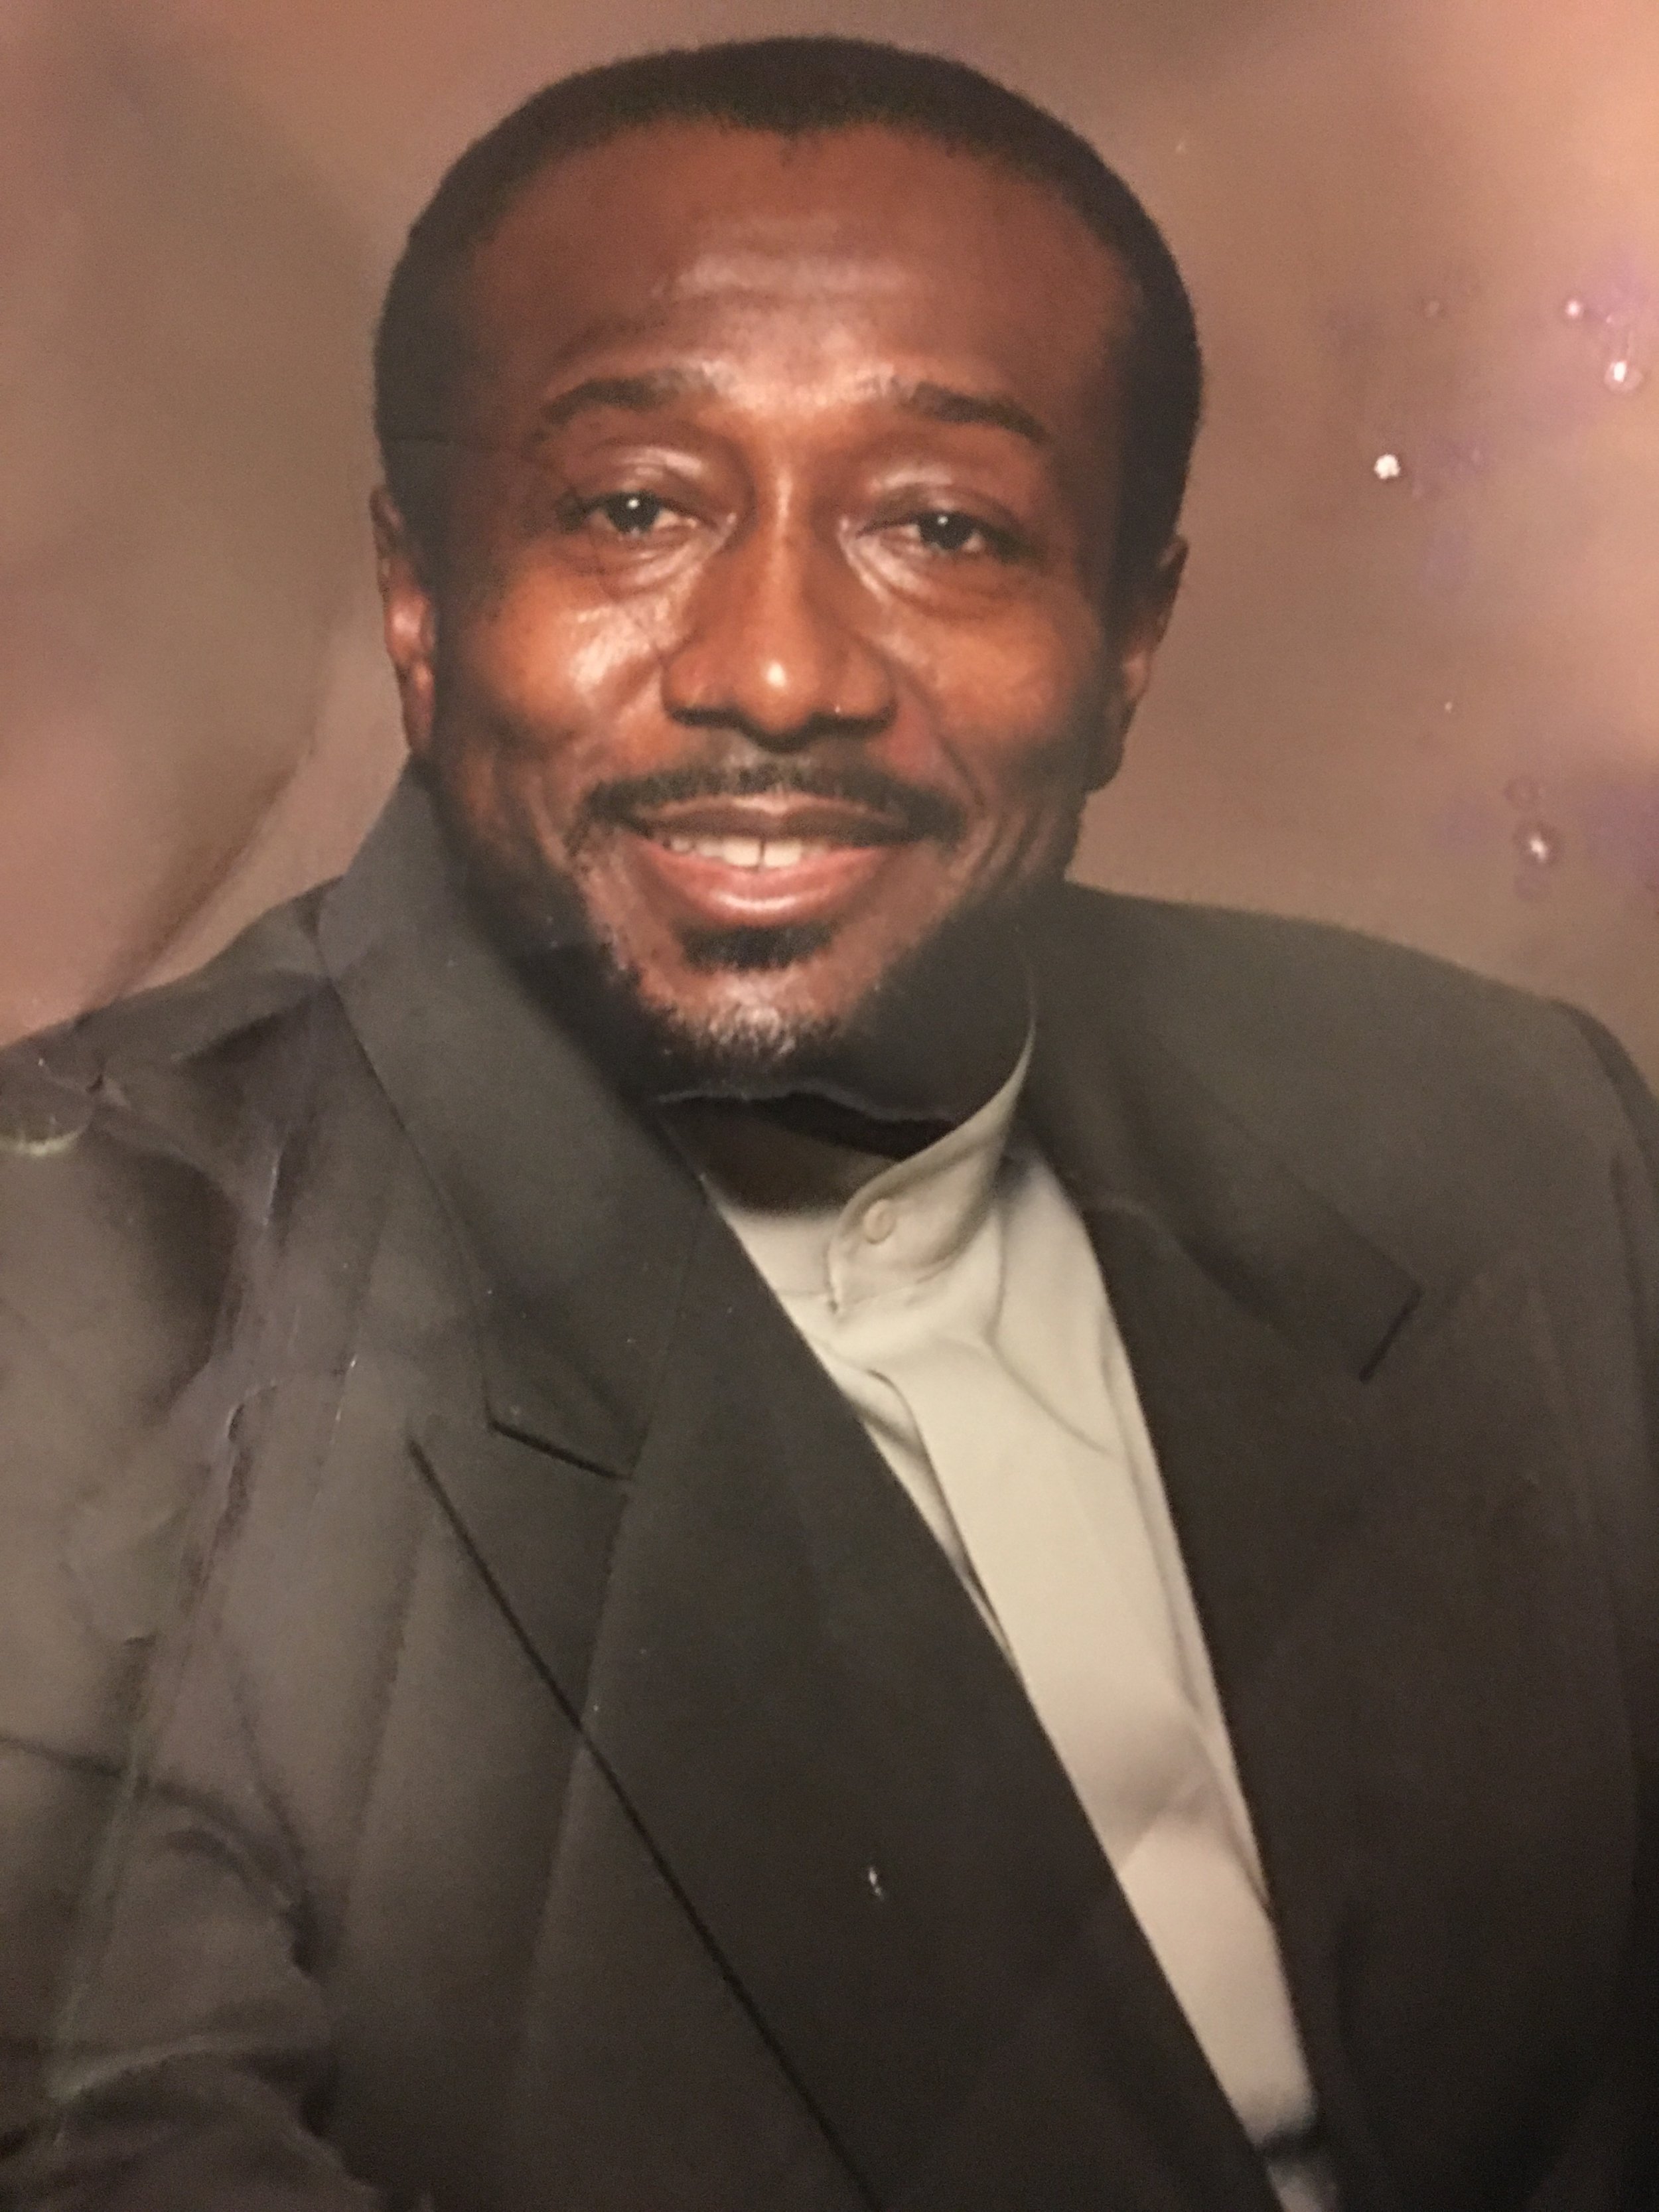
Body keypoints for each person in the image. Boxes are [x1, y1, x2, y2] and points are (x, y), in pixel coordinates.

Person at [3, 35, 1658, 2212]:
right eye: (633, 509)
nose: (775, 668)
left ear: (1126, 639)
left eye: (942, 526)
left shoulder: (1496, 1126)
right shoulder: (91, 1270)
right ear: (420, 601)